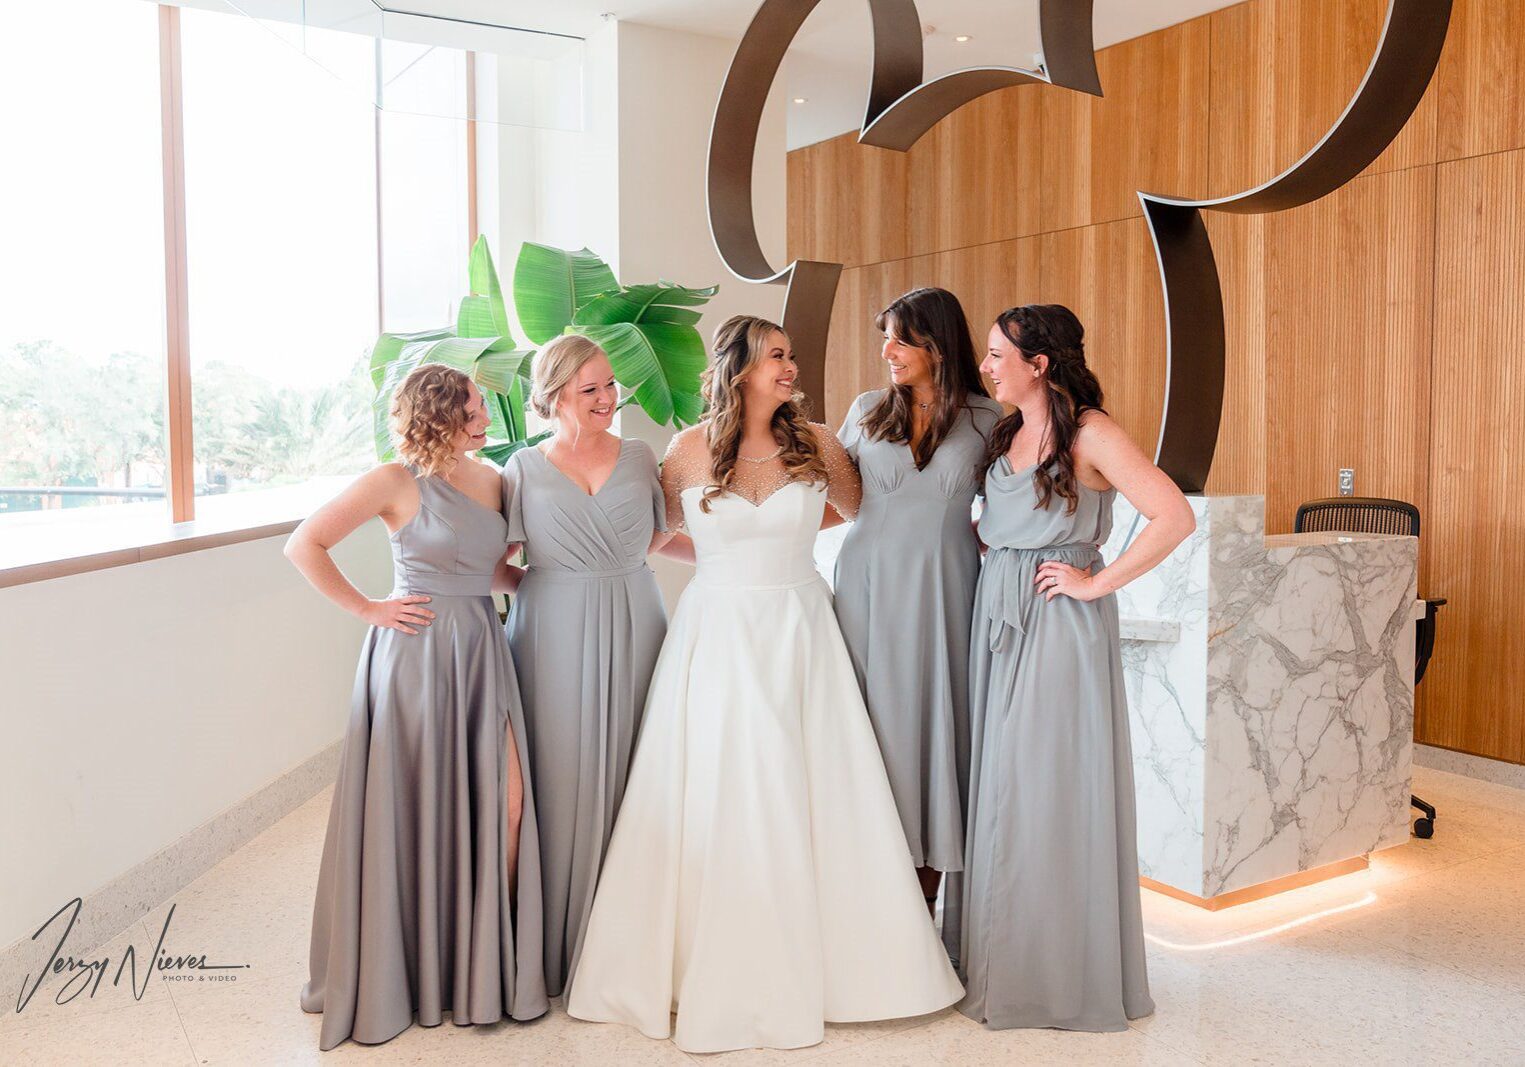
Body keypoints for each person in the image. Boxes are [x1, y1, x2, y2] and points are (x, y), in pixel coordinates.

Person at [566, 315, 963, 1054]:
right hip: (713, 634)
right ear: (741, 368)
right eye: (778, 355)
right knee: (715, 785)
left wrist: (780, 546)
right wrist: (727, 559)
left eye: (788, 353)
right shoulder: (686, 450)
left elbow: (864, 514)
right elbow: (652, 537)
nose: (791, 365)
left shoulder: (818, 441)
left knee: (808, 784)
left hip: (801, 631)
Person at [289, 364, 546, 1049]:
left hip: (481, 651)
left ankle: (483, 958)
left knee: (508, 799)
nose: (486, 421)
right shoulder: (394, 480)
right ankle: (413, 965)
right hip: (415, 656)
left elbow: (489, 569)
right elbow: (303, 543)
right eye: (473, 410)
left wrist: (560, 586)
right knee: (418, 803)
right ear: (437, 412)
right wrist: (370, 608)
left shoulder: (493, 479)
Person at [955, 304, 1194, 1031]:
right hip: (997, 620)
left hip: (1056, 627)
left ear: (1040, 364)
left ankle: (1049, 976)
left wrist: (1094, 581)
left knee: (1045, 791)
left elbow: (1171, 514)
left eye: (999, 355)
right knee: (1002, 786)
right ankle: (999, 959)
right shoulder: (1005, 431)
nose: (988, 366)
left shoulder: (1089, 431)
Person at [496, 334, 668, 998]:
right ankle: (554, 941)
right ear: (555, 394)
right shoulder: (521, 467)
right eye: (588, 388)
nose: (606, 397)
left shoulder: (639, 454)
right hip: (550, 630)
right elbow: (498, 560)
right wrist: (553, 586)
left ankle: (629, 942)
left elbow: (658, 533)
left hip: (635, 615)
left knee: (638, 764)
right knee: (558, 774)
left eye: (609, 383)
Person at [833, 286, 1004, 923]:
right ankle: (862, 892)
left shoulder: (989, 419)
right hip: (866, 583)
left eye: (901, 339)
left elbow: (1009, 506)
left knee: (938, 724)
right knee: (872, 722)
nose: (888, 351)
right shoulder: (866, 409)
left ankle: (924, 900)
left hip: (948, 583)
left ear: (937, 344)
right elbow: (832, 499)